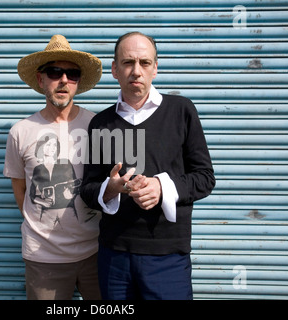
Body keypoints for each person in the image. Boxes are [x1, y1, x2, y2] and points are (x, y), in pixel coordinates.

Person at [80, 32, 216, 300]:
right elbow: (88, 189)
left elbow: (204, 178)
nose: (136, 71)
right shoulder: (101, 123)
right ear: (114, 70)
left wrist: (161, 186)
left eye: (144, 62)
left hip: (168, 257)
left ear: (155, 68)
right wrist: (111, 188)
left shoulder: (182, 111)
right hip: (114, 255)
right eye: (128, 62)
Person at [3, 34, 102, 300]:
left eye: (72, 74)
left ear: (78, 82)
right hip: (43, 257)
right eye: (55, 72)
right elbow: (20, 191)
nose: (63, 80)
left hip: (97, 252)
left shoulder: (98, 126)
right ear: (40, 79)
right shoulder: (21, 132)